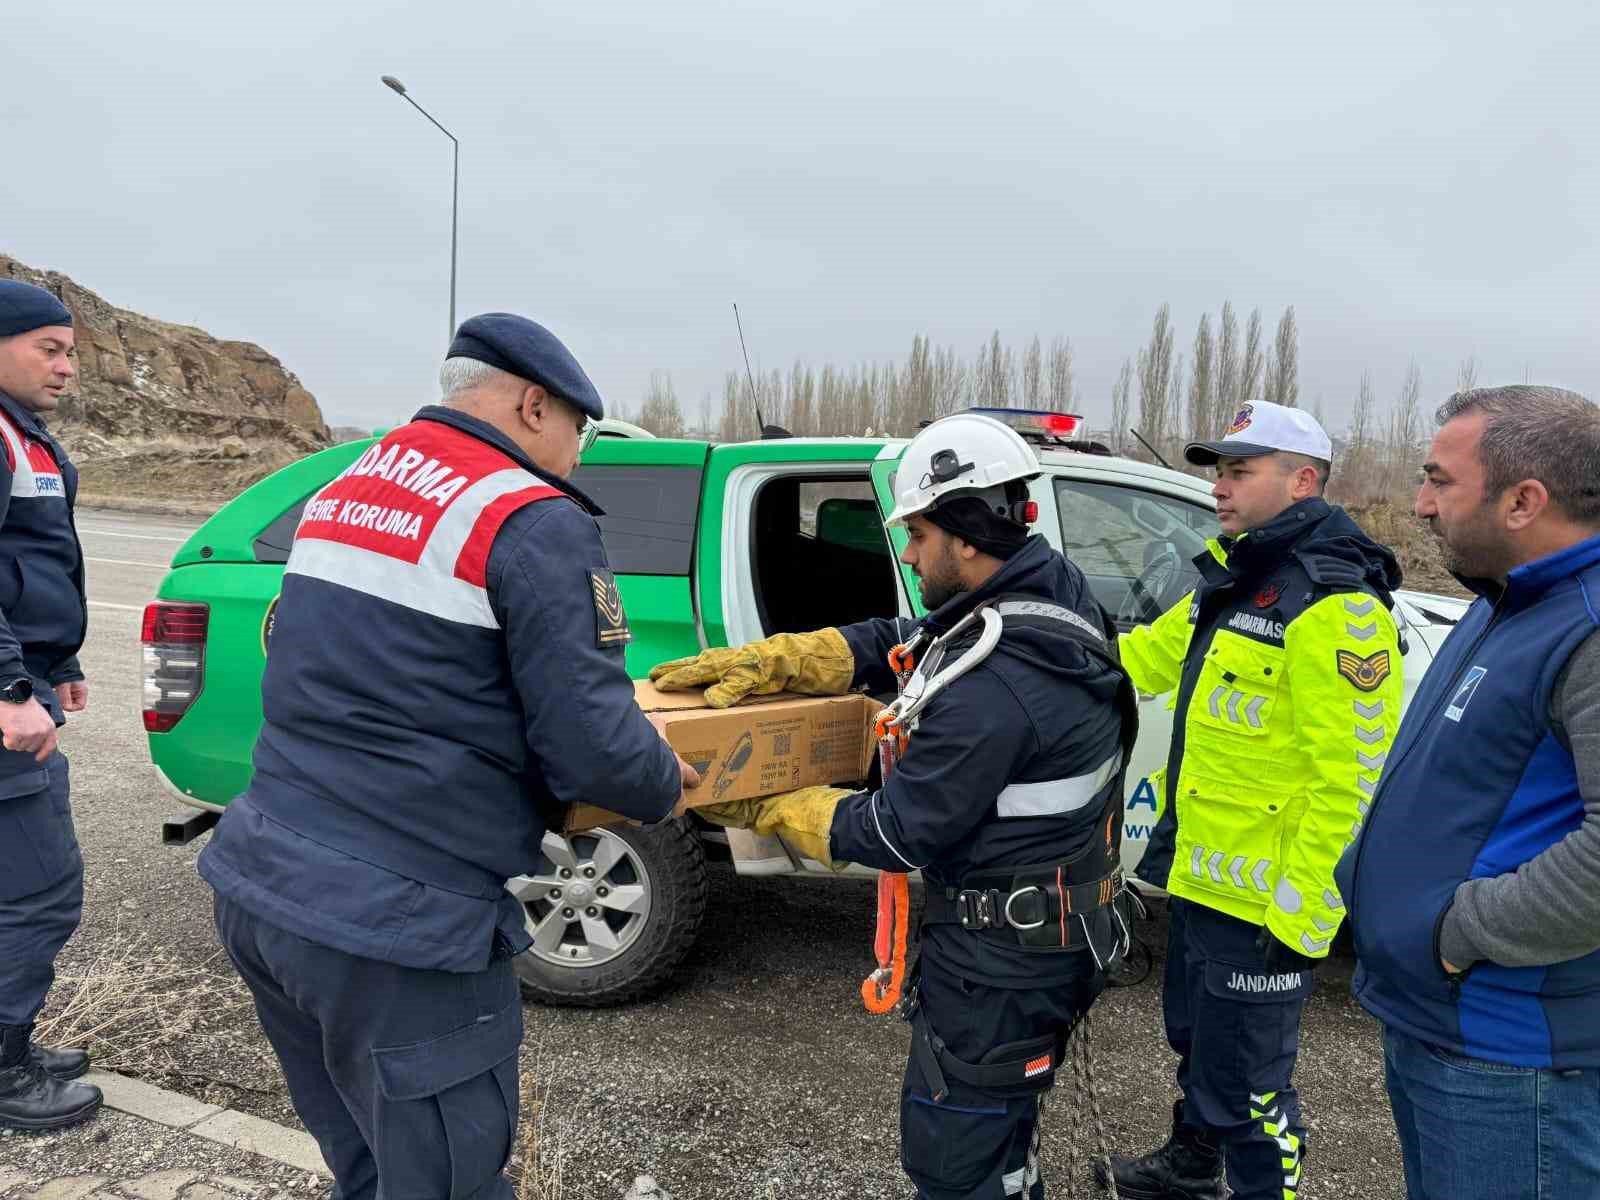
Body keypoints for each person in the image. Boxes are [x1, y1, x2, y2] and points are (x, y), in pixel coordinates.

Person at [198, 313, 697, 1199]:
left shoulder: (352, 482)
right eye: (578, 432)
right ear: (533, 405)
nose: (578, 456)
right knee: (447, 1181)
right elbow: (592, 747)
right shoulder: (528, 517)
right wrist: (667, 780)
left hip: (264, 883)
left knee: (368, 1163)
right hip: (396, 929)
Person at [650, 413, 1138, 1200]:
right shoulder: (1047, 598)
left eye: (917, 535)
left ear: (968, 534)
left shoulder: (998, 689)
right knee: (1002, 1140)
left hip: (1000, 968)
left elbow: (894, 832)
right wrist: (787, 659)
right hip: (1050, 935)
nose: (907, 555)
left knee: (955, 1161)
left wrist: (767, 803)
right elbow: (913, 637)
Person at [1097, 399, 1404, 1200]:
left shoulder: (1337, 605)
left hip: (1266, 906)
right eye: (1218, 472)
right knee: (1198, 1047)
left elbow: (1356, 781)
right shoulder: (1234, 580)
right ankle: (1192, 1170)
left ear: (1302, 482)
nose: (1220, 489)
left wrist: (1301, 921)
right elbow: (1138, 663)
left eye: (1240, 472)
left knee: (1252, 1093)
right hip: (1203, 884)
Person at [1336, 386, 1600, 1200]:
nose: (1417, 504)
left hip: (1512, 1054)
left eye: (1439, 480)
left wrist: (1458, 933)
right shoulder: (1511, 600)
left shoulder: (1586, 623)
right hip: (1439, 1017)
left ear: (1524, 500)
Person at [0, 280, 101, 1131]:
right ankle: (3, 1071)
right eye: (49, 348)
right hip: (3, 708)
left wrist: (55, 659)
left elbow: (33, 561)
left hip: (24, 685)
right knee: (40, 889)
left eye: (70, 350)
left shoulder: (24, 438)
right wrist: (7, 688)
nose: (66, 367)